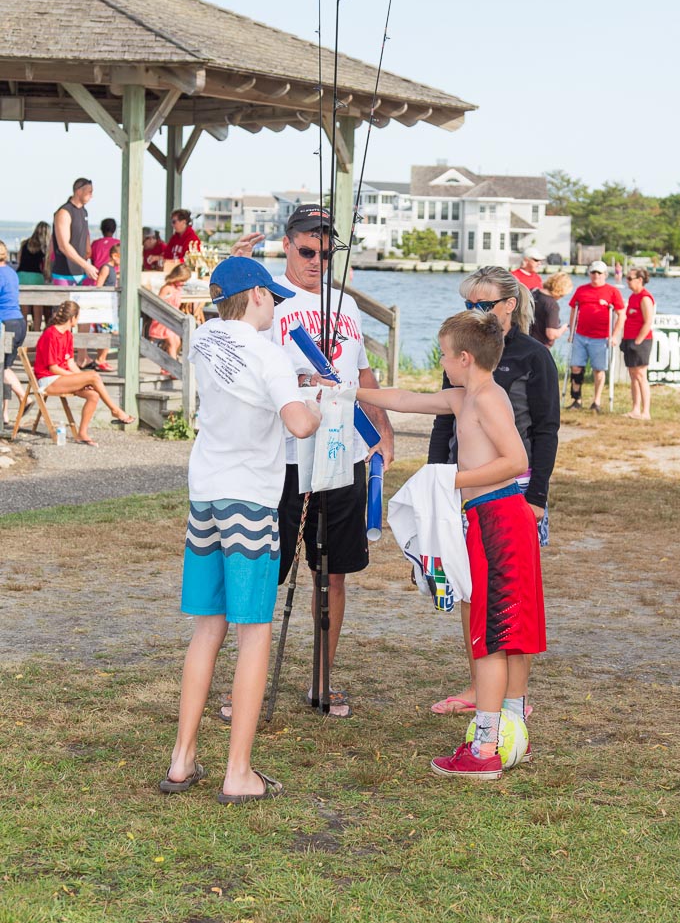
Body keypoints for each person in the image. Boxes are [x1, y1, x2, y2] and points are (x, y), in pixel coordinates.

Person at [160, 257, 321, 804]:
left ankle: (182, 759)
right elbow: (297, 423)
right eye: (271, 296)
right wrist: (314, 406)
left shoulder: (206, 339)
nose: (275, 306)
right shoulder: (268, 353)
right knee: (253, 630)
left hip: (205, 492)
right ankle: (238, 772)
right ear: (255, 295)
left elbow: (242, 375)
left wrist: (291, 383)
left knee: (208, 627)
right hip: (250, 500)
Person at [357, 310, 545, 780]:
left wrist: (449, 481)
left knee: (492, 635)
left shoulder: (489, 400)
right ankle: (513, 732)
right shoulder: (465, 397)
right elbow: (405, 399)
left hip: (499, 519)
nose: (440, 361)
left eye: (443, 354)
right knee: (507, 629)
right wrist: (347, 391)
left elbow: (516, 460)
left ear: (464, 358)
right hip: (491, 518)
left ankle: (484, 749)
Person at [266, 204, 394, 719]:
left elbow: (363, 375)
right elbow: (251, 374)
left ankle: (322, 678)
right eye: (306, 251)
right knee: (267, 572)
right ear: (287, 244)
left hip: (345, 453)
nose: (316, 261)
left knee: (333, 573)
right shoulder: (267, 300)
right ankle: (247, 681)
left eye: (326, 253)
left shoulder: (348, 305)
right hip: (286, 457)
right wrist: (303, 381)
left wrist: (382, 430)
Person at [427, 265, 558, 718]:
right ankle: (479, 684)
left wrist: (537, 497)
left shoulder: (534, 356)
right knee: (470, 590)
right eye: (468, 304)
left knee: (512, 598)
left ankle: (512, 699)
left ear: (510, 305)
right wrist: (437, 477)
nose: (474, 311)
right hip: (463, 487)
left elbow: (546, 429)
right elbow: (443, 419)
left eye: (482, 304)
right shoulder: (464, 353)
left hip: (512, 491)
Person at [33, 300, 135, 444]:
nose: (79, 320)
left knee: (93, 394)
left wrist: (81, 378)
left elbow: (70, 363)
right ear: (72, 318)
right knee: (93, 376)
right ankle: (115, 410)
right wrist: (81, 378)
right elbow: (53, 368)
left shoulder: (67, 335)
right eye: (78, 317)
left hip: (61, 378)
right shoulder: (51, 334)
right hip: (48, 380)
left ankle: (82, 433)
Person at [567, 260, 626, 414]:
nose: (596, 276)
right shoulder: (581, 290)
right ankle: (576, 399)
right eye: (593, 272)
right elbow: (573, 310)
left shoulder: (612, 292)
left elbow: (621, 314)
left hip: (601, 337)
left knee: (598, 370)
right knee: (576, 366)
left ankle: (596, 401)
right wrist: (571, 332)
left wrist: (614, 336)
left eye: (599, 273)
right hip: (581, 335)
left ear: (605, 275)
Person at [52, 178, 97, 366]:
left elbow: (84, 237)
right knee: (63, 317)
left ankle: (81, 356)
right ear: (78, 191)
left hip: (81, 271)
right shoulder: (64, 212)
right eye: (89, 191)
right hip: (64, 272)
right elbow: (63, 245)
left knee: (85, 314)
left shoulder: (84, 212)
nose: (91, 195)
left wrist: (88, 258)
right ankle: (60, 357)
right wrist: (86, 265)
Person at [620, 268, 656, 420]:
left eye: (630, 278)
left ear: (639, 280)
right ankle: (635, 408)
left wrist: (637, 342)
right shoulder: (633, 297)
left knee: (641, 375)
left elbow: (648, 322)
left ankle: (645, 411)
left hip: (641, 341)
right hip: (629, 338)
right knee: (633, 374)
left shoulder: (645, 298)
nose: (627, 281)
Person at [0, 240, 28, 424]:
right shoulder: (11, 272)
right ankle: (5, 414)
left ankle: (24, 397)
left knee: (2, 367)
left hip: (6, 324)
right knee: (5, 367)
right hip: (19, 322)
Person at [150, 263, 192, 366]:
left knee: (177, 342)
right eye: (182, 280)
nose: (183, 283)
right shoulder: (167, 288)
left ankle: (167, 365)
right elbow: (158, 302)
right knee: (172, 342)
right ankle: (173, 367)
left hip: (172, 320)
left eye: (185, 281)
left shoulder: (177, 289)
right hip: (163, 319)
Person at [91, 243, 122, 372]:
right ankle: (101, 359)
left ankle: (101, 359)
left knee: (108, 332)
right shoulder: (106, 268)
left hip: (110, 306)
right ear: (115, 256)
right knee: (108, 332)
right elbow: (99, 285)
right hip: (104, 306)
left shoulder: (113, 269)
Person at [16, 221, 50, 331]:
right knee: (38, 309)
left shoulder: (24, 243)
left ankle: (23, 333)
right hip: (36, 276)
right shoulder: (45, 247)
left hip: (21, 275)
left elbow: (19, 260)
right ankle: (36, 332)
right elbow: (46, 267)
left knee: (24, 309)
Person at [531, 271, 572, 349]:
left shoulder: (533, 292)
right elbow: (551, 334)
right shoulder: (552, 305)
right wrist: (563, 328)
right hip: (539, 347)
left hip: (525, 341)